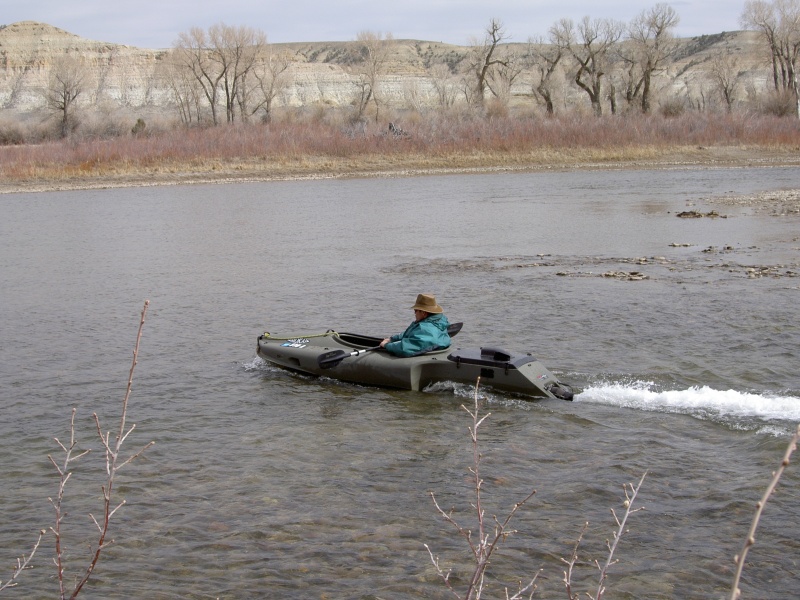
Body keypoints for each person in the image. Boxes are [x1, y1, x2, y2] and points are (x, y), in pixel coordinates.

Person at [380, 293, 451, 357]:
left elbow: (405, 349)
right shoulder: (438, 321)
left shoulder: (426, 329)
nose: (414, 313)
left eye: (415, 310)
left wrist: (386, 345)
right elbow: (412, 333)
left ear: (423, 313)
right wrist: (392, 338)